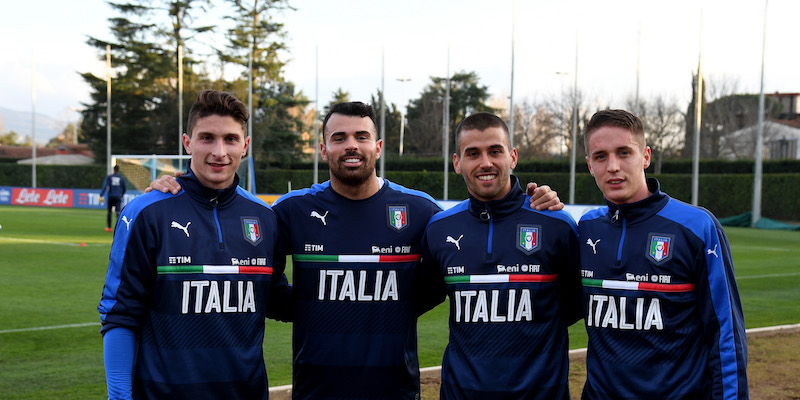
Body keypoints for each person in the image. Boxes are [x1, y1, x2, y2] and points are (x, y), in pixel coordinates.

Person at [148, 101, 562, 399]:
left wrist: (532, 196)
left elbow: (441, 282)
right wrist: (179, 187)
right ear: (323, 148)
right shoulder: (291, 212)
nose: (352, 145)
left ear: (377, 147)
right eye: (339, 137)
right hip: (316, 389)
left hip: (395, 389)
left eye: (361, 136)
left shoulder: (421, 212)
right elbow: (262, 283)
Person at [98, 90, 290, 400]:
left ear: (245, 145)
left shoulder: (265, 218)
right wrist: (119, 396)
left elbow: (278, 300)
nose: (219, 151)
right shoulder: (147, 213)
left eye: (230, 139)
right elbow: (120, 314)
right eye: (207, 138)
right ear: (187, 142)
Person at [579, 109, 748, 399]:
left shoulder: (696, 227)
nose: (613, 166)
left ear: (645, 156)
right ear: (590, 165)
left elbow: (726, 336)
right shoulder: (585, 228)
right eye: (601, 156)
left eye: (624, 153)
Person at [419, 112, 582, 399]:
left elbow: (575, 305)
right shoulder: (439, 229)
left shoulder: (555, 223)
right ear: (457, 163)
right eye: (473, 153)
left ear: (512, 157)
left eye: (495, 151)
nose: (485, 163)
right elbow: (423, 296)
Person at [99, 164, 127, 232]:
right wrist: (121, 194)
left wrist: (101, 195)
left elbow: (105, 186)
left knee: (109, 212)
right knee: (118, 212)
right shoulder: (121, 178)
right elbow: (124, 188)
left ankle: (109, 227)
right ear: (118, 170)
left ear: (114, 170)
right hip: (118, 196)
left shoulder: (110, 177)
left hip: (111, 196)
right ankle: (118, 227)